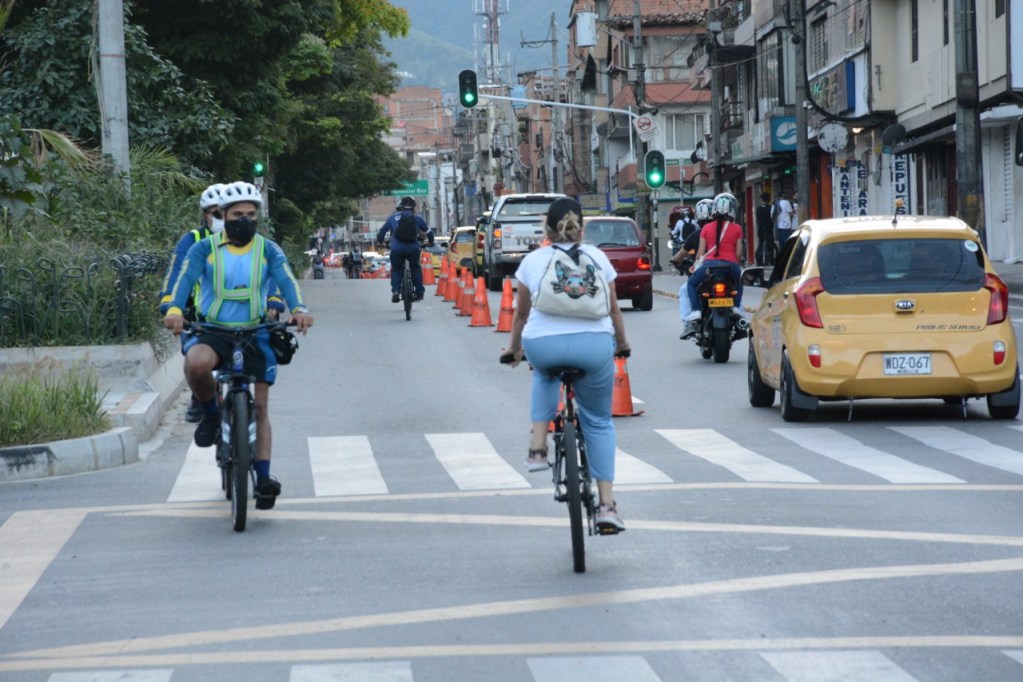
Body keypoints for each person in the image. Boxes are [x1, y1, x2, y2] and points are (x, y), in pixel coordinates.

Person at [162, 181, 313, 511]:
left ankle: (264, 478)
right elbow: (184, 279)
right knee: (196, 365)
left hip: (256, 332)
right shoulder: (203, 249)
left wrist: (299, 309)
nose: (245, 219)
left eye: (251, 214)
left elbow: (286, 280)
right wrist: (174, 309)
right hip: (214, 330)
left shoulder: (268, 249)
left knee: (260, 408)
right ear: (223, 216)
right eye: (237, 214)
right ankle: (212, 415)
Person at [499, 197, 631, 533]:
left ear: (546, 228)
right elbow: (614, 311)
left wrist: (514, 350)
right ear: (582, 227)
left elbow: (522, 314)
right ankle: (606, 506)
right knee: (599, 422)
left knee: (544, 375)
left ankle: (538, 448)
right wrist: (623, 344)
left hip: (543, 345)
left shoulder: (532, 261)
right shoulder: (599, 258)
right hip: (594, 347)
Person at [158, 183, 225, 422]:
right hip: (199, 316)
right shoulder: (194, 241)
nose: (223, 219)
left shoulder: (246, 239)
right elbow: (177, 273)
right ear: (206, 215)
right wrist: (170, 304)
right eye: (217, 213)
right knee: (195, 362)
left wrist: (273, 299)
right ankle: (202, 399)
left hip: (238, 314)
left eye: (226, 212)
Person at [681, 192, 745, 339]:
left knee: (691, 284)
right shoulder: (737, 228)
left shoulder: (706, 228)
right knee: (739, 282)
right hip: (730, 267)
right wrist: (736, 262)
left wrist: (697, 263)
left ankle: (696, 311)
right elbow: (739, 254)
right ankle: (735, 308)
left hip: (709, 268)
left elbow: (699, 255)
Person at [376, 196, 434, 302]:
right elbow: (429, 233)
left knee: (397, 269)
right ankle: (419, 291)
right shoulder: (418, 218)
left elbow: (382, 232)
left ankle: (396, 291)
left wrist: (381, 242)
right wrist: (430, 242)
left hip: (397, 249)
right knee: (415, 268)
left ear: (401, 207)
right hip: (413, 249)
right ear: (413, 208)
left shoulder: (393, 217)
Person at [670, 198, 714, 334]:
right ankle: (739, 312)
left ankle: (689, 322)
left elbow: (683, 255)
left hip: (704, 270)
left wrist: (675, 260)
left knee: (685, 290)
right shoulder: (723, 231)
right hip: (724, 269)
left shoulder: (697, 234)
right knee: (737, 284)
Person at [755, 191, 775, 266]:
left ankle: (759, 260)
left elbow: (758, 219)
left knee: (760, 244)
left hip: (760, 229)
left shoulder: (758, 209)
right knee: (770, 245)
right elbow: (772, 219)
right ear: (769, 199)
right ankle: (770, 259)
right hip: (768, 229)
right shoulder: (770, 208)